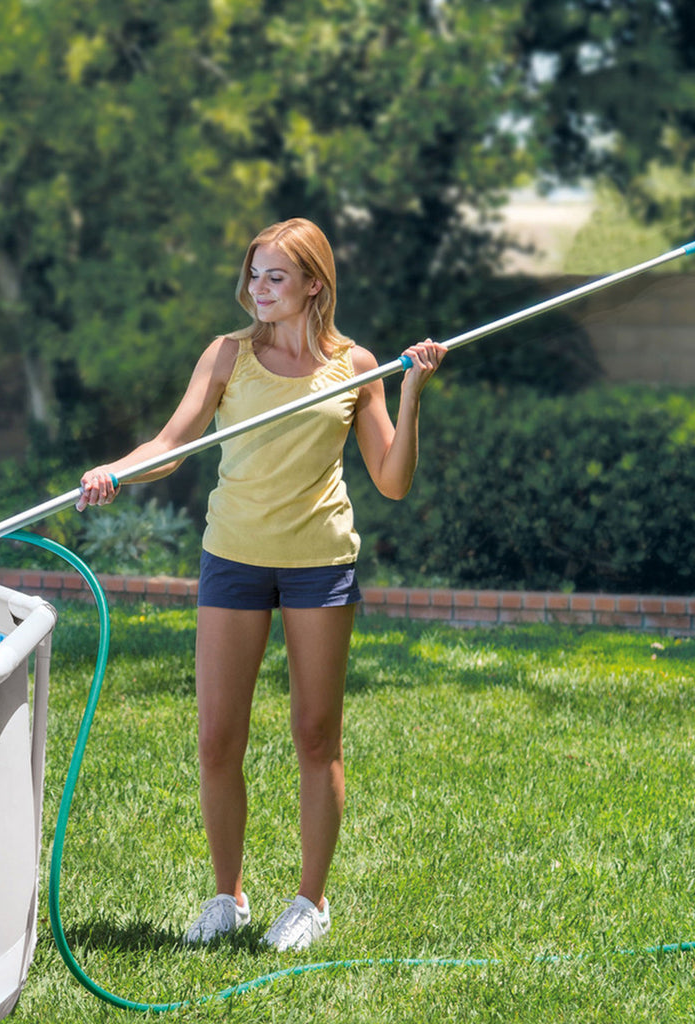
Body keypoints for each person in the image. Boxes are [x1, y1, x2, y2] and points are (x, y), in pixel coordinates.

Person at [76, 218, 445, 952]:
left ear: (314, 283)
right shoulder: (227, 356)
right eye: (253, 275)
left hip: (318, 560)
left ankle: (311, 901)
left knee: (315, 734)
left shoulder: (356, 365)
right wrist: (117, 469)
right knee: (217, 739)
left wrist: (409, 391)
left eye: (275, 277)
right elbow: (172, 443)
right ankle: (227, 896)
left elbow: (393, 482)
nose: (258, 290)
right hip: (234, 558)